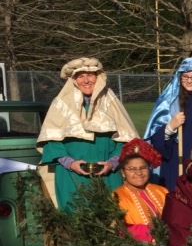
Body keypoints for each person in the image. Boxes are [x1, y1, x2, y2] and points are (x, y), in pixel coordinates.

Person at [37, 57, 138, 212]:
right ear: (74, 80)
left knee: (113, 217)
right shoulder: (60, 104)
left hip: (108, 175)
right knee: (76, 220)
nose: (86, 80)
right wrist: (70, 163)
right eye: (80, 76)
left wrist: (113, 162)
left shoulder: (111, 102)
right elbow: (51, 142)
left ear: (98, 77)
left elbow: (127, 141)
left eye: (90, 75)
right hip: (71, 177)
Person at [144, 57, 192, 191]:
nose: (189, 80)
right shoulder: (169, 102)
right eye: (185, 76)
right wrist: (170, 127)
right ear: (180, 77)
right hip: (175, 163)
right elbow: (155, 140)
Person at [113, 138, 168, 244]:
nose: (139, 172)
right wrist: (147, 232)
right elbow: (117, 229)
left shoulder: (162, 192)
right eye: (132, 169)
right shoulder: (116, 196)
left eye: (143, 168)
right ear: (123, 173)